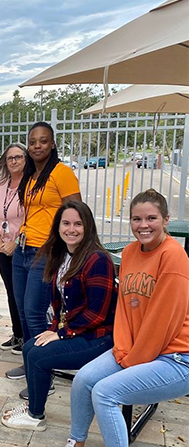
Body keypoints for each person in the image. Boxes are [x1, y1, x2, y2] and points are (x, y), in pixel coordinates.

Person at [64, 189, 189, 447]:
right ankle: (76, 441)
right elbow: (124, 308)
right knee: (83, 380)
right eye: (136, 219)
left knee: (105, 393)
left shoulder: (173, 256)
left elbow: (162, 320)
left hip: (177, 357)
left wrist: (132, 360)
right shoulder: (131, 252)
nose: (143, 225)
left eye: (151, 218)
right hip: (136, 348)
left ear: (166, 220)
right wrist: (122, 349)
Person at [1, 201, 117, 431]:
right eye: (66, 223)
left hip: (99, 337)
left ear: (88, 227)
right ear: (58, 226)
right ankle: (33, 405)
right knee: (28, 347)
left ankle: (35, 416)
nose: (71, 229)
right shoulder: (62, 255)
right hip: (77, 330)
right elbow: (61, 304)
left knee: (38, 357)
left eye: (78, 224)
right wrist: (54, 329)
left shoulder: (97, 260)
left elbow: (96, 314)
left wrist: (63, 334)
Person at [6, 122, 81, 382]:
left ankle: (42, 375)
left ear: (52, 144)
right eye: (33, 141)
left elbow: (76, 213)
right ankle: (31, 361)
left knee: (36, 313)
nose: (37, 145)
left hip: (45, 251)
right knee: (23, 311)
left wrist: (63, 247)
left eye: (43, 141)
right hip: (23, 249)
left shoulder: (61, 173)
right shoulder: (31, 175)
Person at [0, 143, 27, 353]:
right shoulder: (1, 184)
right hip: (1, 247)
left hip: (20, 246)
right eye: (10, 157)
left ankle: (26, 335)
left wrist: (15, 243)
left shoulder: (30, 184)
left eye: (18, 157)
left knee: (22, 293)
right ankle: (17, 333)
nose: (13, 161)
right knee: (11, 292)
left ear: (26, 160)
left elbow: (31, 218)